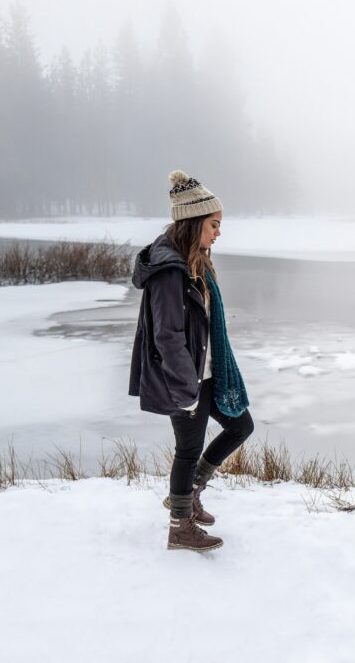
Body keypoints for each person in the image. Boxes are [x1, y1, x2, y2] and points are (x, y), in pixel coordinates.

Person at [128, 170, 254, 552]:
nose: (218, 232)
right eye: (214, 225)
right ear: (194, 222)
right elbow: (168, 335)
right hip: (185, 380)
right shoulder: (170, 271)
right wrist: (187, 389)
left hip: (206, 373)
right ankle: (179, 526)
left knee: (240, 426)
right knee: (188, 450)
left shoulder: (194, 261)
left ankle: (190, 493)